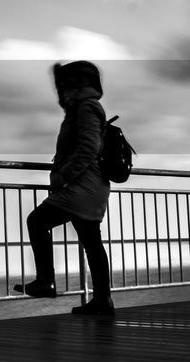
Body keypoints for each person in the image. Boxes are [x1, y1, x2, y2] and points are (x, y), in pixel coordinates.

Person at [14, 60, 115, 316]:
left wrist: (62, 177)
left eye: (65, 86)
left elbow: (89, 147)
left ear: (76, 86)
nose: (62, 92)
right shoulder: (81, 108)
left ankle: (46, 280)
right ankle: (103, 300)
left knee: (37, 221)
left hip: (81, 186)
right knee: (91, 241)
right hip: (89, 185)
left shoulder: (86, 108)